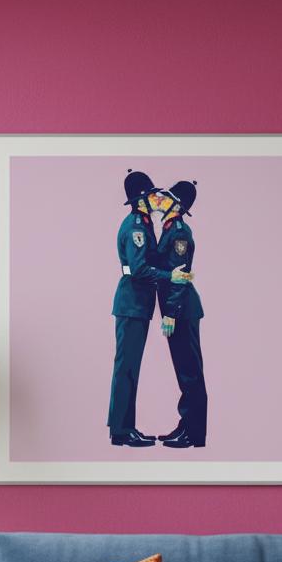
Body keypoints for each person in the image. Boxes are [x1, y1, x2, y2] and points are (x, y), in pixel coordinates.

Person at [108, 170, 192, 447]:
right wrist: (171, 277)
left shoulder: (144, 224)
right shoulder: (136, 227)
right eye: (151, 195)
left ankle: (123, 428)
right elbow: (141, 268)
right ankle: (121, 431)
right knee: (127, 369)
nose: (157, 198)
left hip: (136, 304)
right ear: (140, 199)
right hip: (132, 304)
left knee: (129, 369)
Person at [154, 181, 206, 448]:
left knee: (190, 372)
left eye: (168, 198)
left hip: (182, 309)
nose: (161, 201)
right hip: (177, 308)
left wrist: (171, 313)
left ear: (178, 206)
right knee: (183, 370)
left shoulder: (179, 233)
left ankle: (194, 433)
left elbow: (181, 276)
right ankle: (186, 425)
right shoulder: (168, 229)